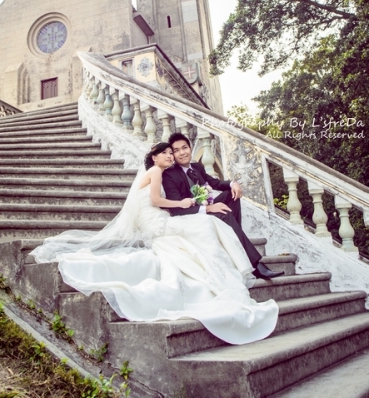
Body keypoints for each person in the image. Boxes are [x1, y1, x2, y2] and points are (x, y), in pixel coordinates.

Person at [30, 142, 278, 345]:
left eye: (173, 152)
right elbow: (156, 200)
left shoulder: (159, 172)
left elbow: (167, 196)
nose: (171, 156)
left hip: (156, 220)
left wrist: (197, 202)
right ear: (155, 157)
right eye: (167, 153)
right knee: (207, 224)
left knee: (210, 221)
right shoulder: (157, 172)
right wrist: (184, 204)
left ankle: (239, 258)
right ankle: (236, 265)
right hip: (157, 222)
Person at [163, 133, 284, 280]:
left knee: (231, 195)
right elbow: (176, 209)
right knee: (224, 213)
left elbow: (214, 183)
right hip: (191, 214)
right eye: (176, 150)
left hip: (205, 207)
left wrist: (233, 183)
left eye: (184, 148)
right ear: (173, 155)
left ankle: (235, 239)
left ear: (190, 148)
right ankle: (256, 265)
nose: (182, 153)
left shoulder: (196, 167)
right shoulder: (169, 175)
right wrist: (207, 209)